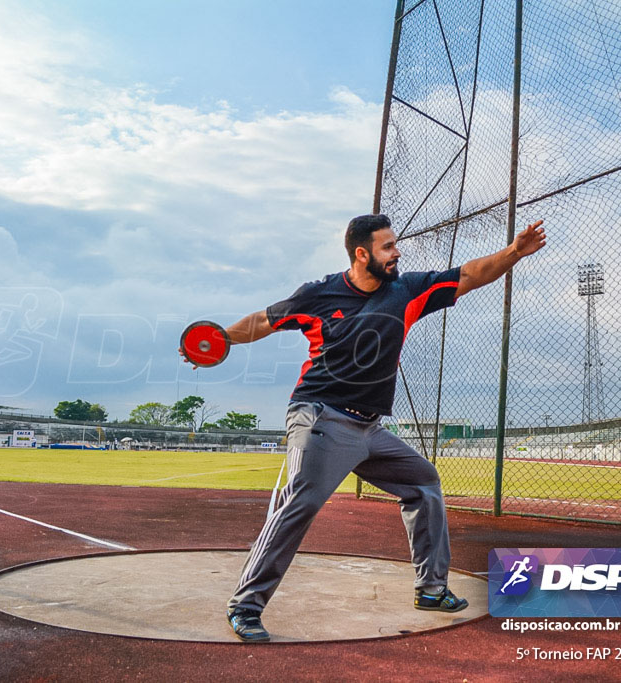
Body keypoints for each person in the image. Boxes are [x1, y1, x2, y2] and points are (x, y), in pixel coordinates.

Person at [180, 213, 546, 642]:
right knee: (300, 503)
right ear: (362, 253)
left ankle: (430, 589)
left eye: (395, 245)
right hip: (320, 417)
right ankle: (245, 605)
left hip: (369, 430)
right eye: (387, 247)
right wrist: (221, 338)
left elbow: (467, 274)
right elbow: (263, 321)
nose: (397, 253)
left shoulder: (407, 290)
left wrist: (513, 252)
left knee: (423, 482)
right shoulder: (319, 295)